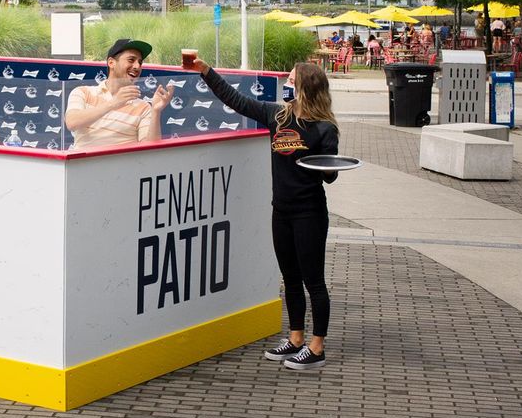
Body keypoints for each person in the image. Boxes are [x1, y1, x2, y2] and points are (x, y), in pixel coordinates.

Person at [183, 56, 339, 371]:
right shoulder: (277, 116)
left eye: (292, 80)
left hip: (309, 213)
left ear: (305, 88)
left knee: (313, 281)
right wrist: (206, 72)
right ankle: (295, 339)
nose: (287, 84)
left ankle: (317, 347)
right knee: (290, 279)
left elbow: (331, 175)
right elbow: (236, 100)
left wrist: (323, 165)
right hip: (281, 211)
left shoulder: (325, 128)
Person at [64, 38, 171, 149]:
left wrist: (156, 111)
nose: (137, 66)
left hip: (125, 160)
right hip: (84, 160)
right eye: (131, 60)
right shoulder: (83, 92)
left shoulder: (143, 107)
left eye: (140, 62)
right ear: (111, 63)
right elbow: (72, 122)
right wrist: (113, 103)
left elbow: (150, 149)